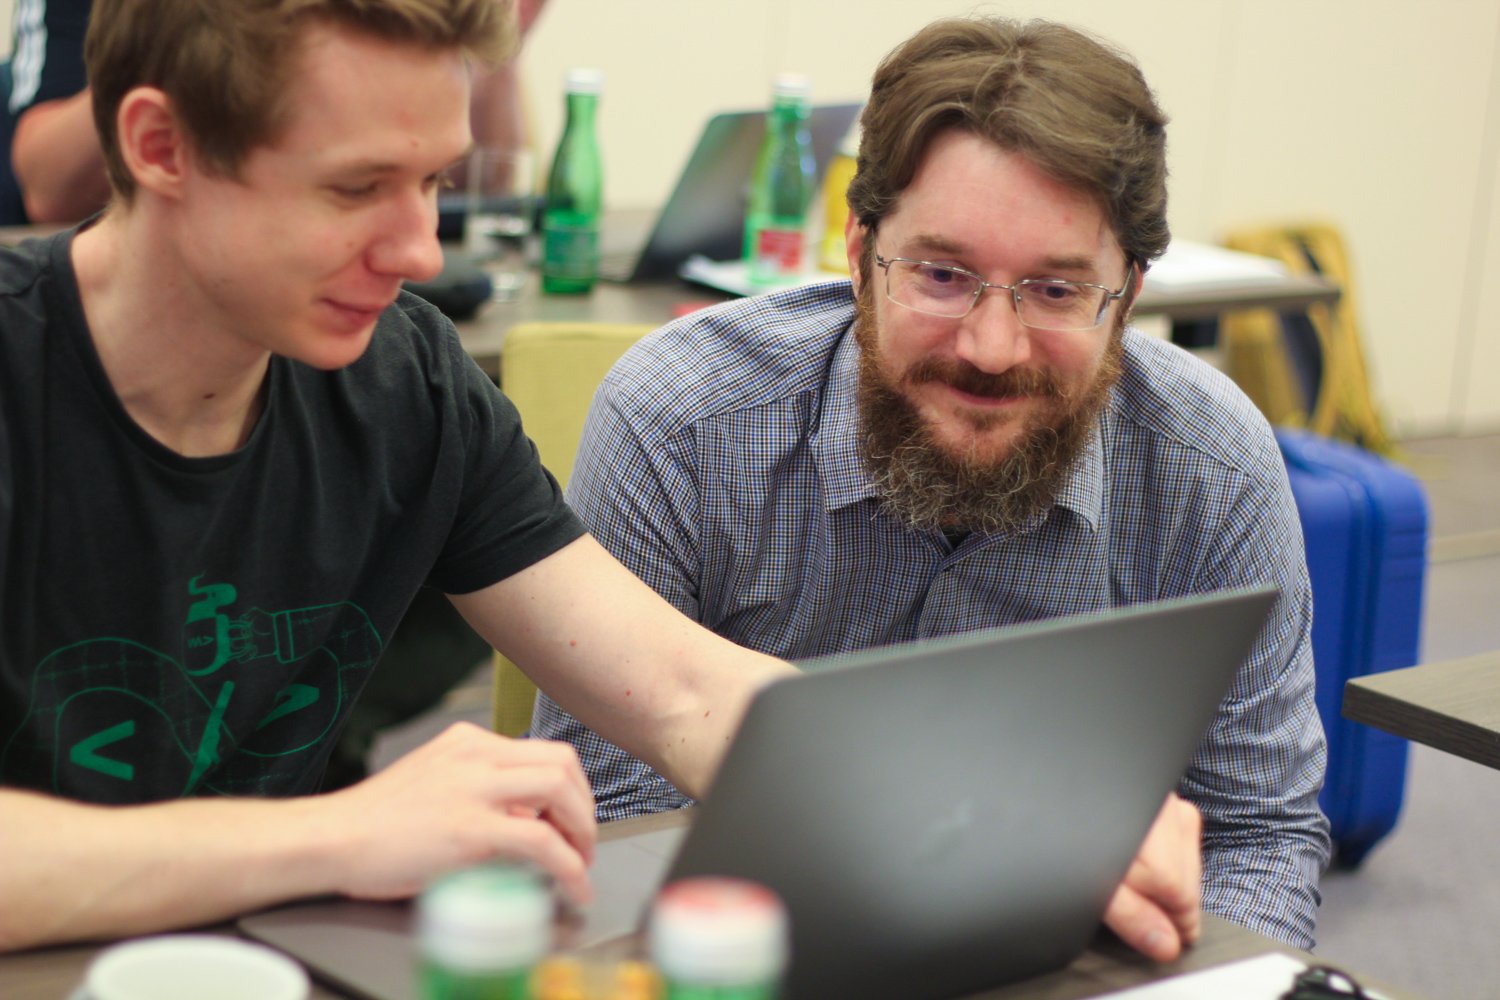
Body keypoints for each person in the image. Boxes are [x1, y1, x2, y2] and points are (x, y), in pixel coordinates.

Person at [0, 0, 1200, 964]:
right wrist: (331, 838)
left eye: (434, 183)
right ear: (161, 148)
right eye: (357, 189)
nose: (420, 250)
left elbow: (682, 687)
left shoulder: (402, 380)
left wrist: (1020, 815)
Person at [534, 16, 1332, 950]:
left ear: (1132, 291)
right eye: (943, 274)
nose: (991, 349)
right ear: (859, 250)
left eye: (1056, 291)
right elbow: (618, 813)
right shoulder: (682, 424)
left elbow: (1259, 832)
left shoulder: (1214, 471)